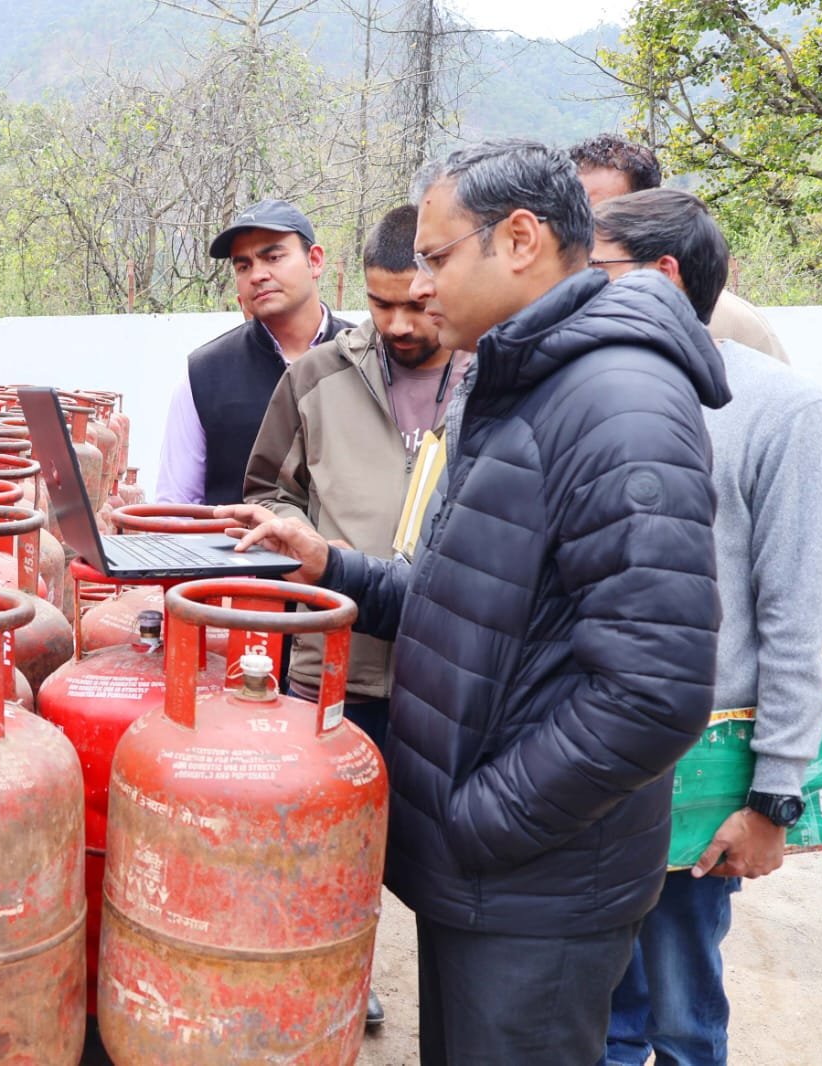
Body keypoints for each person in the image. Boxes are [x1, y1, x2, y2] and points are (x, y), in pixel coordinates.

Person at [218, 139, 730, 1065]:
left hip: (536, 886)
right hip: (486, 879)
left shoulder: (618, 404)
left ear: (521, 240)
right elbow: (465, 606)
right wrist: (334, 565)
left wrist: (482, 820)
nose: (419, 286)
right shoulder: (520, 384)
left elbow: (654, 691)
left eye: (437, 257)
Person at [590, 189, 822, 1066]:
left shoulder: (776, 407)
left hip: (698, 770)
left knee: (684, 1013)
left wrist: (773, 796)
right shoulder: (582, 396)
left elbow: (795, 615)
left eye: (595, 270)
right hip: (586, 762)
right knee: (600, 1020)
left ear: (662, 276)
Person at [241, 203, 469, 1032]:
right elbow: (267, 489)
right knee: (327, 848)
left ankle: (456, 1001)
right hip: (332, 666)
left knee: (448, 859)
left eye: (416, 303)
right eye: (380, 304)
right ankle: (340, 974)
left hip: (449, 676)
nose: (399, 324)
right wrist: (305, 542)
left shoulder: (488, 379)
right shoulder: (316, 378)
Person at [154, 199, 352, 505]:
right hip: (234, 537)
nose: (257, 275)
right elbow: (176, 507)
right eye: (243, 266)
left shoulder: (364, 358)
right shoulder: (205, 375)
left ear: (314, 260)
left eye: (273, 257)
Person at [570, 133, 790, 363]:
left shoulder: (735, 325)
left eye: (602, 212)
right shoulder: (563, 309)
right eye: (573, 212)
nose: (582, 228)